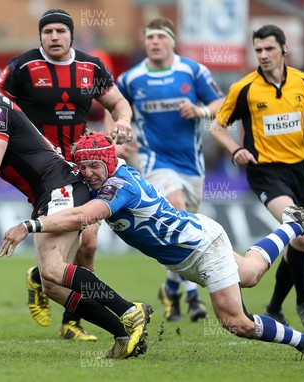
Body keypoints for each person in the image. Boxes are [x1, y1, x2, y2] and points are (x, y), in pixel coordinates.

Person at [0, 132, 304, 362]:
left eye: (94, 166)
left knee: (235, 323)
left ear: (108, 162)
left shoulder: (120, 187)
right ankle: (295, 224)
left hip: (201, 248)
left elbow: (82, 217)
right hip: (190, 249)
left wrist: (29, 226)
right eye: (83, 166)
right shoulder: (106, 175)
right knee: (251, 273)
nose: (88, 173)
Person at [0, 54, 151, 359]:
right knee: (52, 286)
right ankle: (125, 335)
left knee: (54, 269)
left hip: (61, 187)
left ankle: (129, 310)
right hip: (49, 194)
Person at [0, 9, 133, 341]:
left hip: (82, 167)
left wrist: (123, 122)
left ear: (71, 34)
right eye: (48, 32)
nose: (54, 37)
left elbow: (118, 104)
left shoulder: (91, 66)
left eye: (60, 31)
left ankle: (63, 311)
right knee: (85, 240)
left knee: (88, 247)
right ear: (40, 36)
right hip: (45, 170)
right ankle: (53, 291)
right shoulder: (22, 67)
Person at [209, 25, 304, 331]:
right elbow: (217, 126)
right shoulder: (245, 88)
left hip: (298, 170)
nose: (263, 55)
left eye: (269, 49)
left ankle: (274, 306)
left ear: (284, 49)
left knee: (299, 243)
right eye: (258, 50)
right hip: (264, 172)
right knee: (301, 229)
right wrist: (235, 150)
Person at [116, 17, 224, 322]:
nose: (154, 42)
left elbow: (220, 102)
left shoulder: (191, 71)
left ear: (171, 41)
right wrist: (119, 135)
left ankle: (170, 288)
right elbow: (114, 106)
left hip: (190, 163)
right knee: (175, 210)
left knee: (187, 228)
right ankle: (192, 295)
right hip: (154, 161)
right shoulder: (131, 78)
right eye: (149, 37)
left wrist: (201, 111)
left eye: (160, 37)